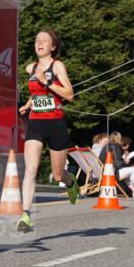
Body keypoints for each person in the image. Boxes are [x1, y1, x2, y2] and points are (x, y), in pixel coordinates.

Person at [16, 30, 79, 232]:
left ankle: (70, 182)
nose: (39, 43)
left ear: (53, 46)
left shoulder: (57, 66)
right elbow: (36, 93)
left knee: (58, 175)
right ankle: (26, 216)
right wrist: (27, 105)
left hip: (56, 124)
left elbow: (69, 94)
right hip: (35, 124)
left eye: (44, 41)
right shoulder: (30, 68)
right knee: (31, 169)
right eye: (37, 40)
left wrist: (47, 81)